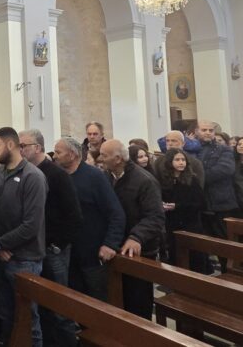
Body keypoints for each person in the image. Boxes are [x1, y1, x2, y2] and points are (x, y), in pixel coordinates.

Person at [19, 129, 83, 347]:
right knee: (41, 303)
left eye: (23, 146)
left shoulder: (56, 174)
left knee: (59, 305)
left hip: (53, 249)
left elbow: (74, 215)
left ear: (37, 147)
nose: (19, 150)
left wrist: (57, 245)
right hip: (34, 249)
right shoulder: (25, 172)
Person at [0, 127, 47, 346]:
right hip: (1, 255)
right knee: (6, 316)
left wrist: (0, 244)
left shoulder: (33, 177)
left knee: (28, 320)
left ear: (11, 145)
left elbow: (31, 225)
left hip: (25, 258)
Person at [53, 137, 125, 302]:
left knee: (98, 300)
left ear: (72, 155)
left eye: (58, 152)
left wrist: (110, 243)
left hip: (93, 253)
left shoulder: (94, 177)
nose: (54, 156)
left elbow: (115, 213)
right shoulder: (59, 176)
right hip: (69, 253)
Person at [100, 139, 164, 319]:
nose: (101, 159)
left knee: (138, 302)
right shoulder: (106, 176)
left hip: (139, 250)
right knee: (117, 299)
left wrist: (136, 237)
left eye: (104, 155)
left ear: (118, 159)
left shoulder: (144, 180)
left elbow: (155, 217)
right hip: (115, 246)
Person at [194, 120, 238, 272]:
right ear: (197, 131)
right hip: (202, 204)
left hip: (221, 203)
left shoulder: (223, 149)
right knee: (205, 242)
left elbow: (225, 169)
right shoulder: (193, 150)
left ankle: (230, 273)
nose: (207, 133)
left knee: (224, 242)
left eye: (210, 130)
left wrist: (198, 178)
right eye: (204, 130)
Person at [158, 149, 207, 273]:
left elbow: (201, 203)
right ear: (169, 162)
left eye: (183, 160)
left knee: (195, 257)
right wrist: (163, 204)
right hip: (173, 224)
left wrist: (177, 206)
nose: (181, 162)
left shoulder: (192, 179)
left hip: (191, 224)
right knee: (176, 255)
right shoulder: (165, 180)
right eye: (177, 160)